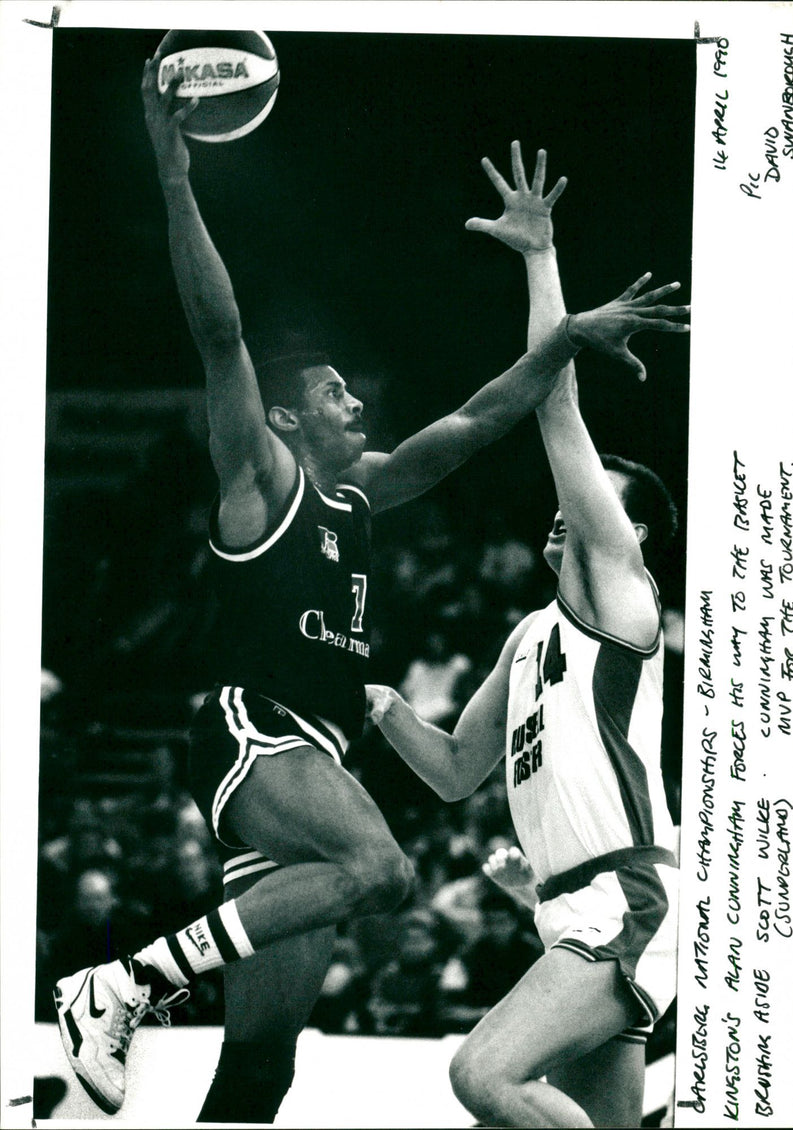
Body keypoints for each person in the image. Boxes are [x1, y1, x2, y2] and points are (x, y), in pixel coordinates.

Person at [54, 57, 685, 1123]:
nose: (355, 400)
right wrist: (174, 178)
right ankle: (119, 981)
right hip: (260, 734)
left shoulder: (363, 497)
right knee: (383, 868)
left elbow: (482, 419)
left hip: (319, 757)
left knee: (263, 1063)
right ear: (291, 420)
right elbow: (220, 333)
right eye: (335, 390)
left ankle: (175, 1022)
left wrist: (564, 334)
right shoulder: (261, 477)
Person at [365, 141, 687, 1127]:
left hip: (624, 900)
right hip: (568, 910)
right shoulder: (527, 636)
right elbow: (459, 768)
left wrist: (538, 256)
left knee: (480, 1075)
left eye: (595, 502)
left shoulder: (619, 594)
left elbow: (553, 403)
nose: (568, 511)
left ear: (628, 531)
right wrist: (375, 703)